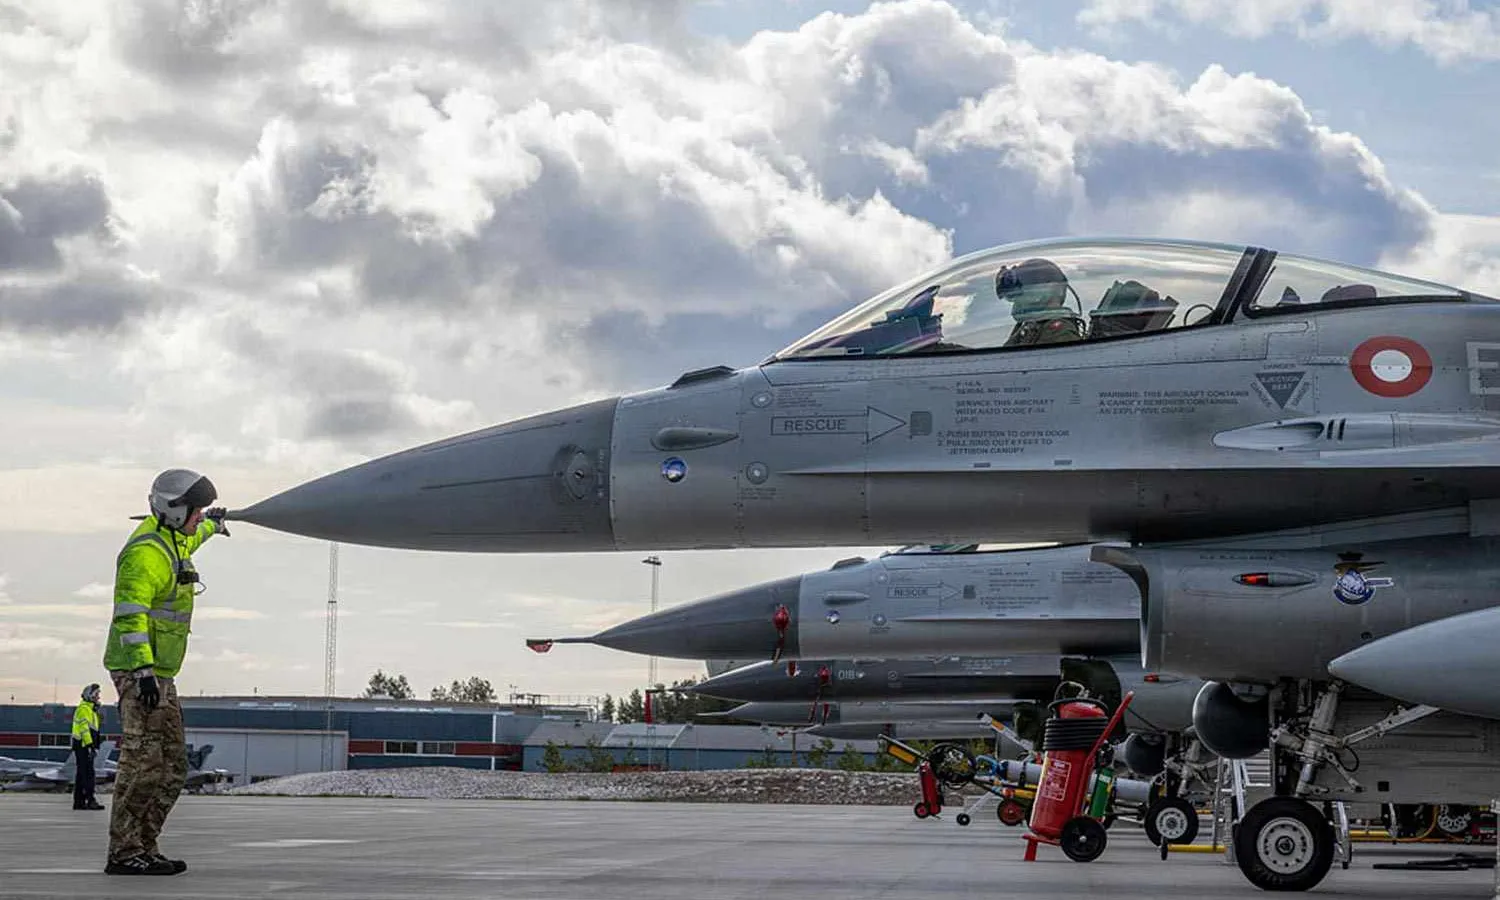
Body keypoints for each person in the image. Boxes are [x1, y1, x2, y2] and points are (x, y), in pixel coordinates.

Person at [100, 469, 228, 876]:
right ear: (173, 510)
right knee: (142, 764)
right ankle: (124, 853)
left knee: (173, 766)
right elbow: (129, 616)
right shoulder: (144, 555)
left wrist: (214, 525)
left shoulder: (174, 537)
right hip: (140, 673)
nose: (199, 516)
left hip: (161, 675)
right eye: (196, 510)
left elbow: (195, 536)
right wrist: (142, 671)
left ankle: (144, 845)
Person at [994, 257, 1086, 347]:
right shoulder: (1029, 327)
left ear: (1051, 289)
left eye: (1027, 293)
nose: (1017, 303)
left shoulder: (1060, 333)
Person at [71, 683, 104, 811]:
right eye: (96, 694)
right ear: (89, 696)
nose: (98, 697)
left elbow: (93, 730)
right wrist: (90, 745)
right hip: (83, 746)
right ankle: (90, 800)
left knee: (81, 774)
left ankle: (79, 802)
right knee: (88, 774)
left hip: (83, 745)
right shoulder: (84, 709)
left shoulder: (90, 710)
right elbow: (85, 730)